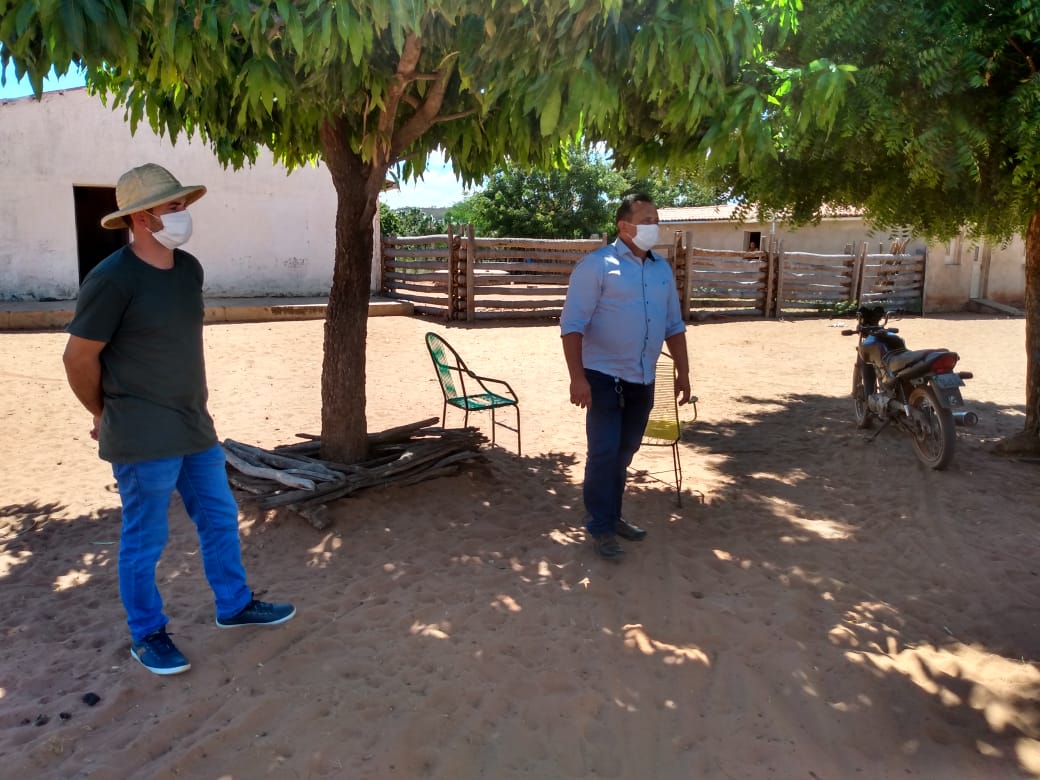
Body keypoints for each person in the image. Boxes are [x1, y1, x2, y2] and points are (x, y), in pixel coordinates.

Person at [62, 163, 296, 676]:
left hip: (194, 426)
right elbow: (78, 359)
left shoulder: (189, 270)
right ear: (141, 217)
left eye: (183, 204)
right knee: (145, 540)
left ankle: (233, 605)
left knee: (219, 518)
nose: (183, 214)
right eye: (173, 206)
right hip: (143, 436)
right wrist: (103, 412)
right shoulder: (111, 279)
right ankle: (147, 635)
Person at [560, 193, 691, 560]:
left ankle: (613, 517)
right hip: (602, 379)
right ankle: (600, 527)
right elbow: (572, 326)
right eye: (648, 219)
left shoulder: (661, 269)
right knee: (603, 454)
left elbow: (673, 325)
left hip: (643, 380)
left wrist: (683, 371)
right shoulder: (597, 267)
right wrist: (577, 378)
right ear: (624, 226)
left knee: (624, 454)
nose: (655, 227)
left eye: (657, 219)